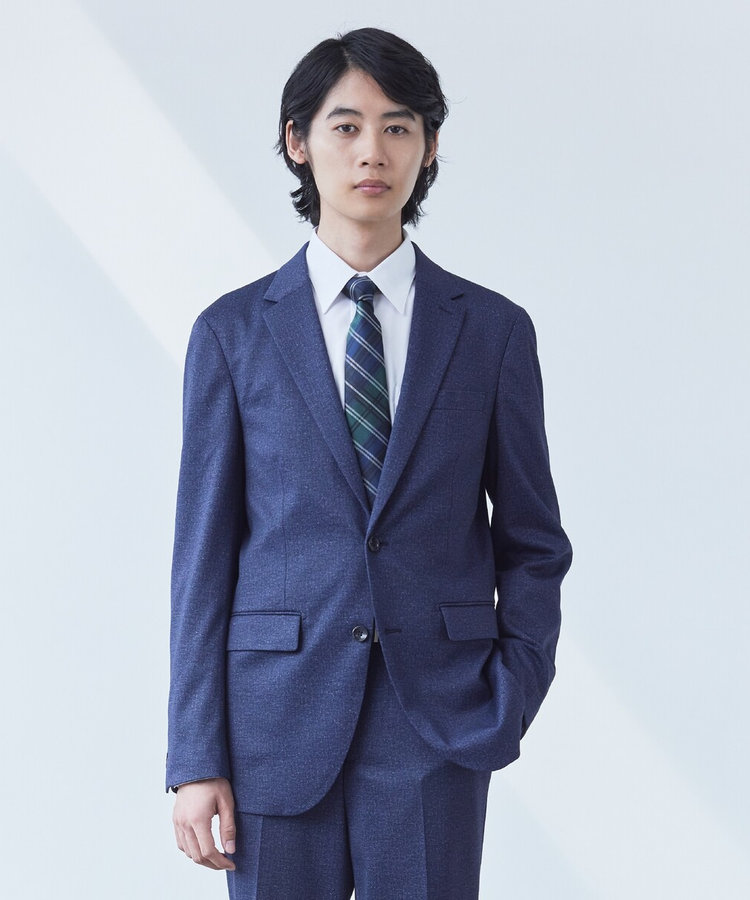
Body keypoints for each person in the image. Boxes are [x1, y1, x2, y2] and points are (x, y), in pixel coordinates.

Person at [167, 26, 572, 900]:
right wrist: (195, 754)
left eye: (398, 127)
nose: (372, 152)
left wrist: (512, 689)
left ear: (429, 147)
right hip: (273, 724)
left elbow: (534, 541)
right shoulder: (232, 334)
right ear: (297, 141)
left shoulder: (492, 331)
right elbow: (202, 559)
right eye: (345, 126)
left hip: (438, 722)